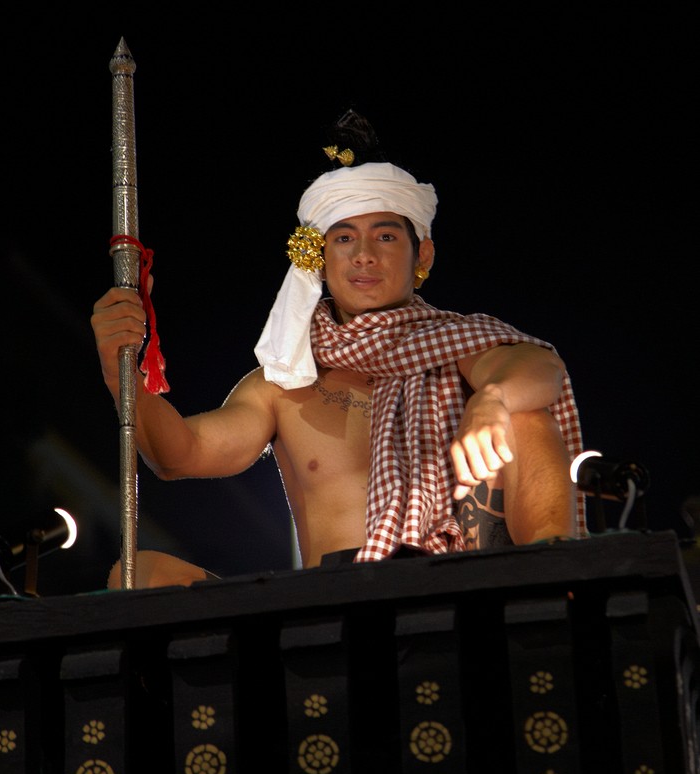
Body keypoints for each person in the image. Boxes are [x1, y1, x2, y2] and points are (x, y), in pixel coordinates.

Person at [92, 110, 585, 590]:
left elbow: (538, 365)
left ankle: (555, 587)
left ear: (423, 254)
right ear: (318, 258)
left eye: (386, 236)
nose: (364, 255)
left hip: (461, 586)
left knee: (526, 410)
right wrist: (122, 374)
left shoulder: (461, 347)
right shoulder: (286, 382)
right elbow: (178, 455)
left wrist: (494, 399)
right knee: (136, 573)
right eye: (344, 237)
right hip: (336, 608)